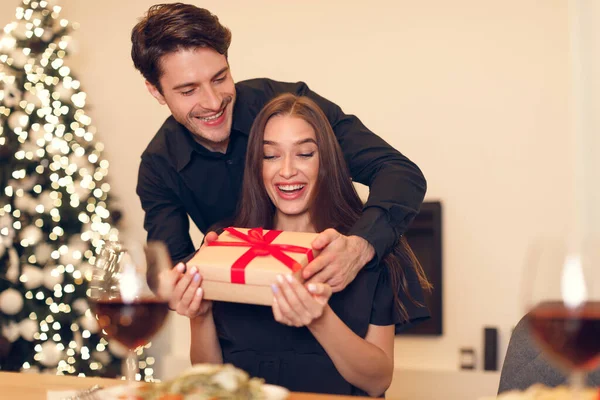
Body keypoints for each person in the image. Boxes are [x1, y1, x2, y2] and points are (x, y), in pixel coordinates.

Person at [131, 3, 427, 294]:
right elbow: (168, 270)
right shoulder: (159, 165)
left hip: (337, 291)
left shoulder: (291, 106)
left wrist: (361, 246)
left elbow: (398, 172)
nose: (213, 102)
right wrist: (197, 274)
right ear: (155, 90)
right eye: (189, 90)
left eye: (220, 78)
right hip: (242, 318)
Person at [182, 94, 431, 397]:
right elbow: (211, 380)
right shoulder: (227, 246)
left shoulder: (360, 251)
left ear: (326, 161)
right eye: (271, 156)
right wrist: (200, 313)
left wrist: (318, 318)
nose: (286, 171)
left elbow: (377, 380)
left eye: (304, 154)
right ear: (256, 166)